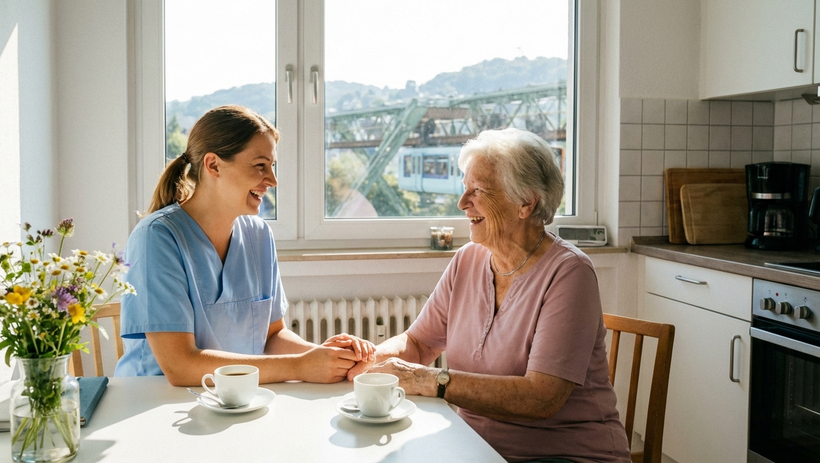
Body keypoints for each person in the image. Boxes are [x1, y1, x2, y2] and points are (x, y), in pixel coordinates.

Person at [347, 128, 631, 463]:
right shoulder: (468, 259)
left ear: (526, 202)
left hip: (564, 453)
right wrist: (368, 360)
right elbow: (420, 344)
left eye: (478, 191)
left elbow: (542, 398)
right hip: (473, 447)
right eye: (465, 188)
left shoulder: (570, 273)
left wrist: (432, 380)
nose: (462, 202)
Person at [115, 105, 374, 385]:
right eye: (259, 166)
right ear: (213, 164)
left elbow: (273, 336)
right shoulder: (156, 237)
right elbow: (180, 365)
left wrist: (329, 358)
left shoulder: (258, 235)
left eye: (272, 166)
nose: (272, 180)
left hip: (236, 397)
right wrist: (299, 367)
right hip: (153, 405)